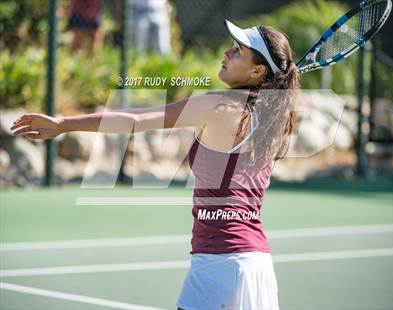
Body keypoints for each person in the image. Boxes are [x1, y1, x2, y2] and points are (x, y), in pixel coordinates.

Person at [10, 20, 299, 309]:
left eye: (237, 51)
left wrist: (63, 124)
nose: (226, 52)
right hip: (258, 265)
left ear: (258, 71)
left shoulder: (218, 106)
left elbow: (136, 121)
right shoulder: (274, 119)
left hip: (220, 266)